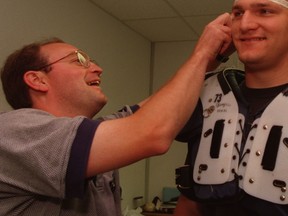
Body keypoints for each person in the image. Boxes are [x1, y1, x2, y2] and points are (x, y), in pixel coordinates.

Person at [0, 13, 232, 216]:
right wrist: (201, 54)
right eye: (79, 60)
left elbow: (148, 113)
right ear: (37, 80)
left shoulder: (88, 140)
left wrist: (210, 61)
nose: (97, 68)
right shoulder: (14, 133)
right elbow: (151, 132)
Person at [174, 0, 288, 215]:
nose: (245, 25)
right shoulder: (206, 98)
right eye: (237, 13)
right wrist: (203, 57)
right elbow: (190, 204)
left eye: (264, 11)